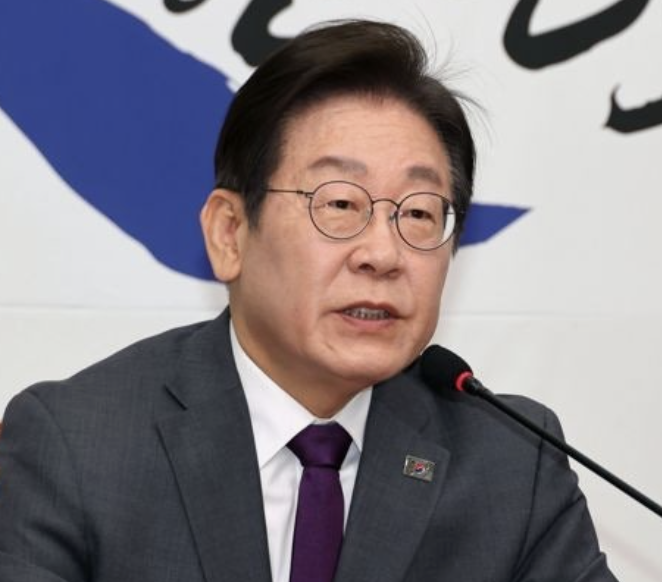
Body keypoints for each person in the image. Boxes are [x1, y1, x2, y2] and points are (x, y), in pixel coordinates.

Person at [0, 19, 618, 582]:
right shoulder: (76, 447)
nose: (383, 253)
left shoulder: (512, 463)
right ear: (230, 234)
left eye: (419, 213)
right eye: (340, 204)